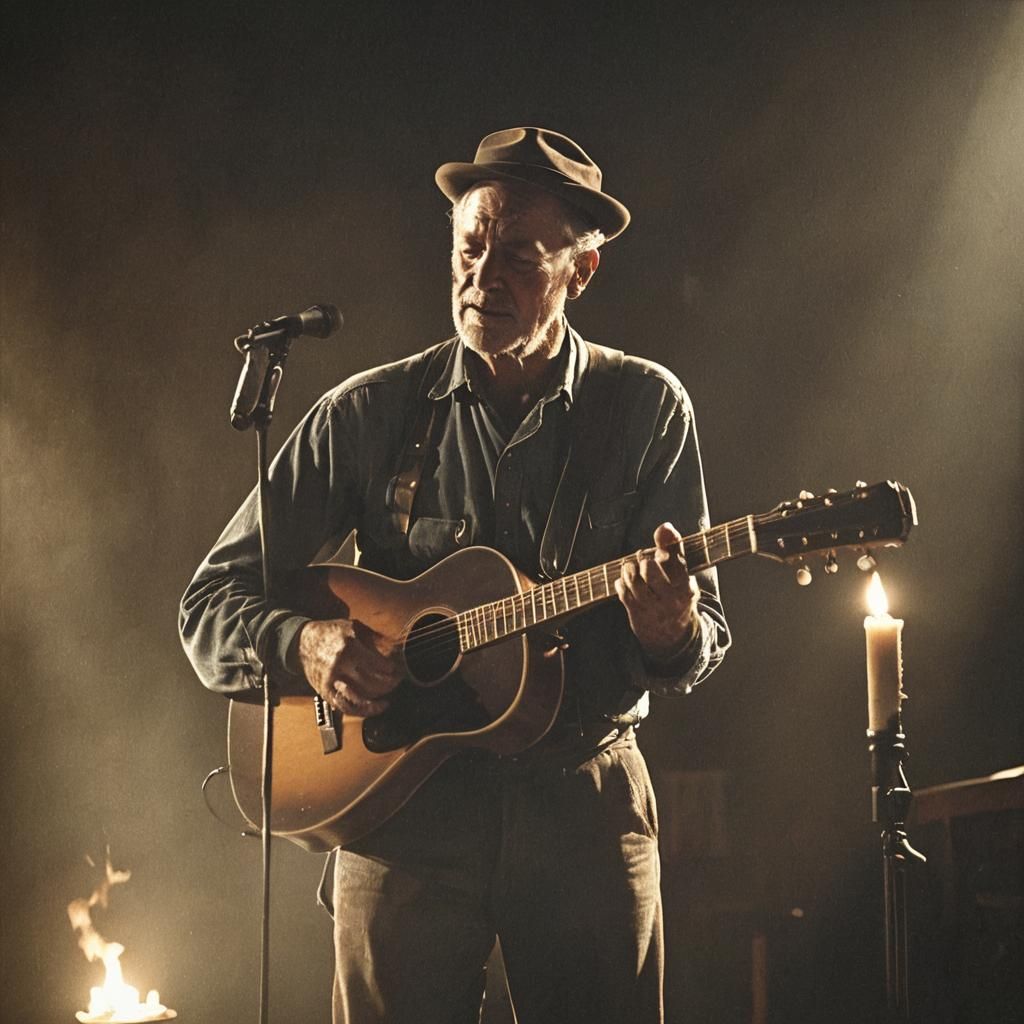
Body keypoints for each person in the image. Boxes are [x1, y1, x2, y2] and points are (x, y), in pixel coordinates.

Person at [180, 127, 730, 1024]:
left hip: (582, 807)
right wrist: (308, 642)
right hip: (401, 818)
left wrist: (670, 632)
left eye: (518, 255)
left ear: (580, 273)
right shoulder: (366, 412)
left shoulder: (643, 406)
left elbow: (704, 637)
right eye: (470, 248)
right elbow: (209, 603)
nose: (483, 276)